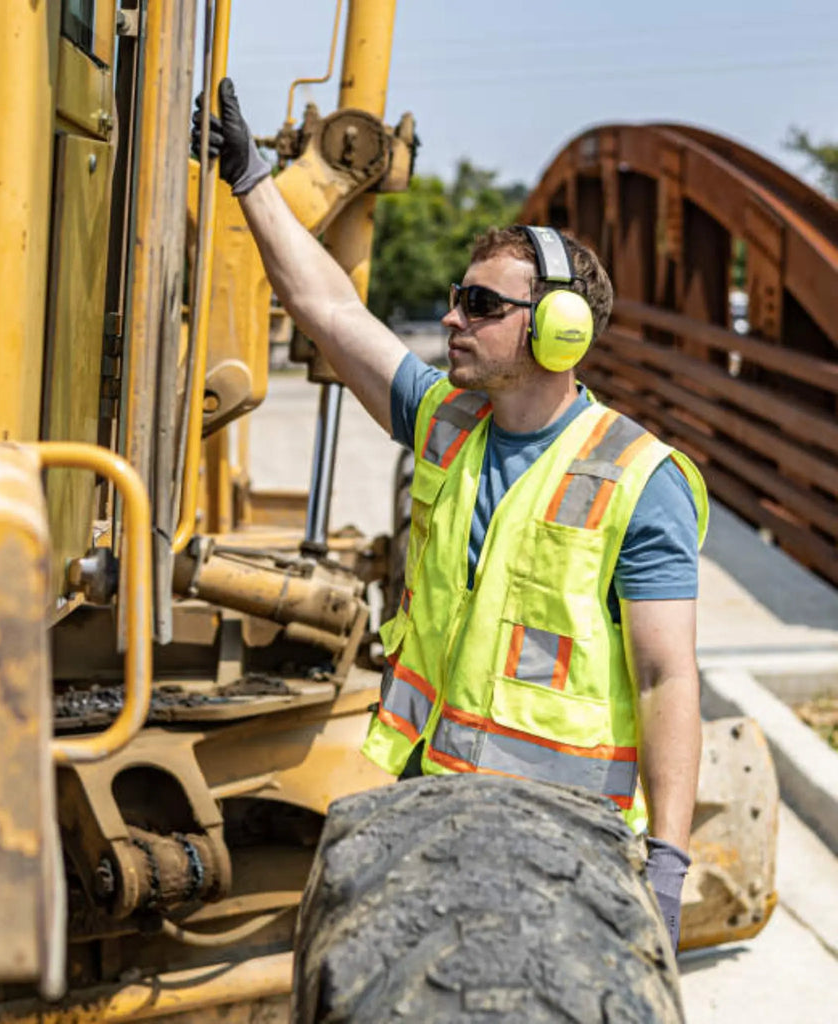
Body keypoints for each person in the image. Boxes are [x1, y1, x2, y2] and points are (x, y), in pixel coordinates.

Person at [192, 79, 708, 955]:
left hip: (562, 839)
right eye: (457, 297)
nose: (451, 318)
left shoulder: (637, 478)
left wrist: (666, 863)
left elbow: (666, 679)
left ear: (559, 332)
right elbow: (327, 309)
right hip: (426, 802)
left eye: (481, 306)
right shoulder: (446, 422)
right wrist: (250, 181)